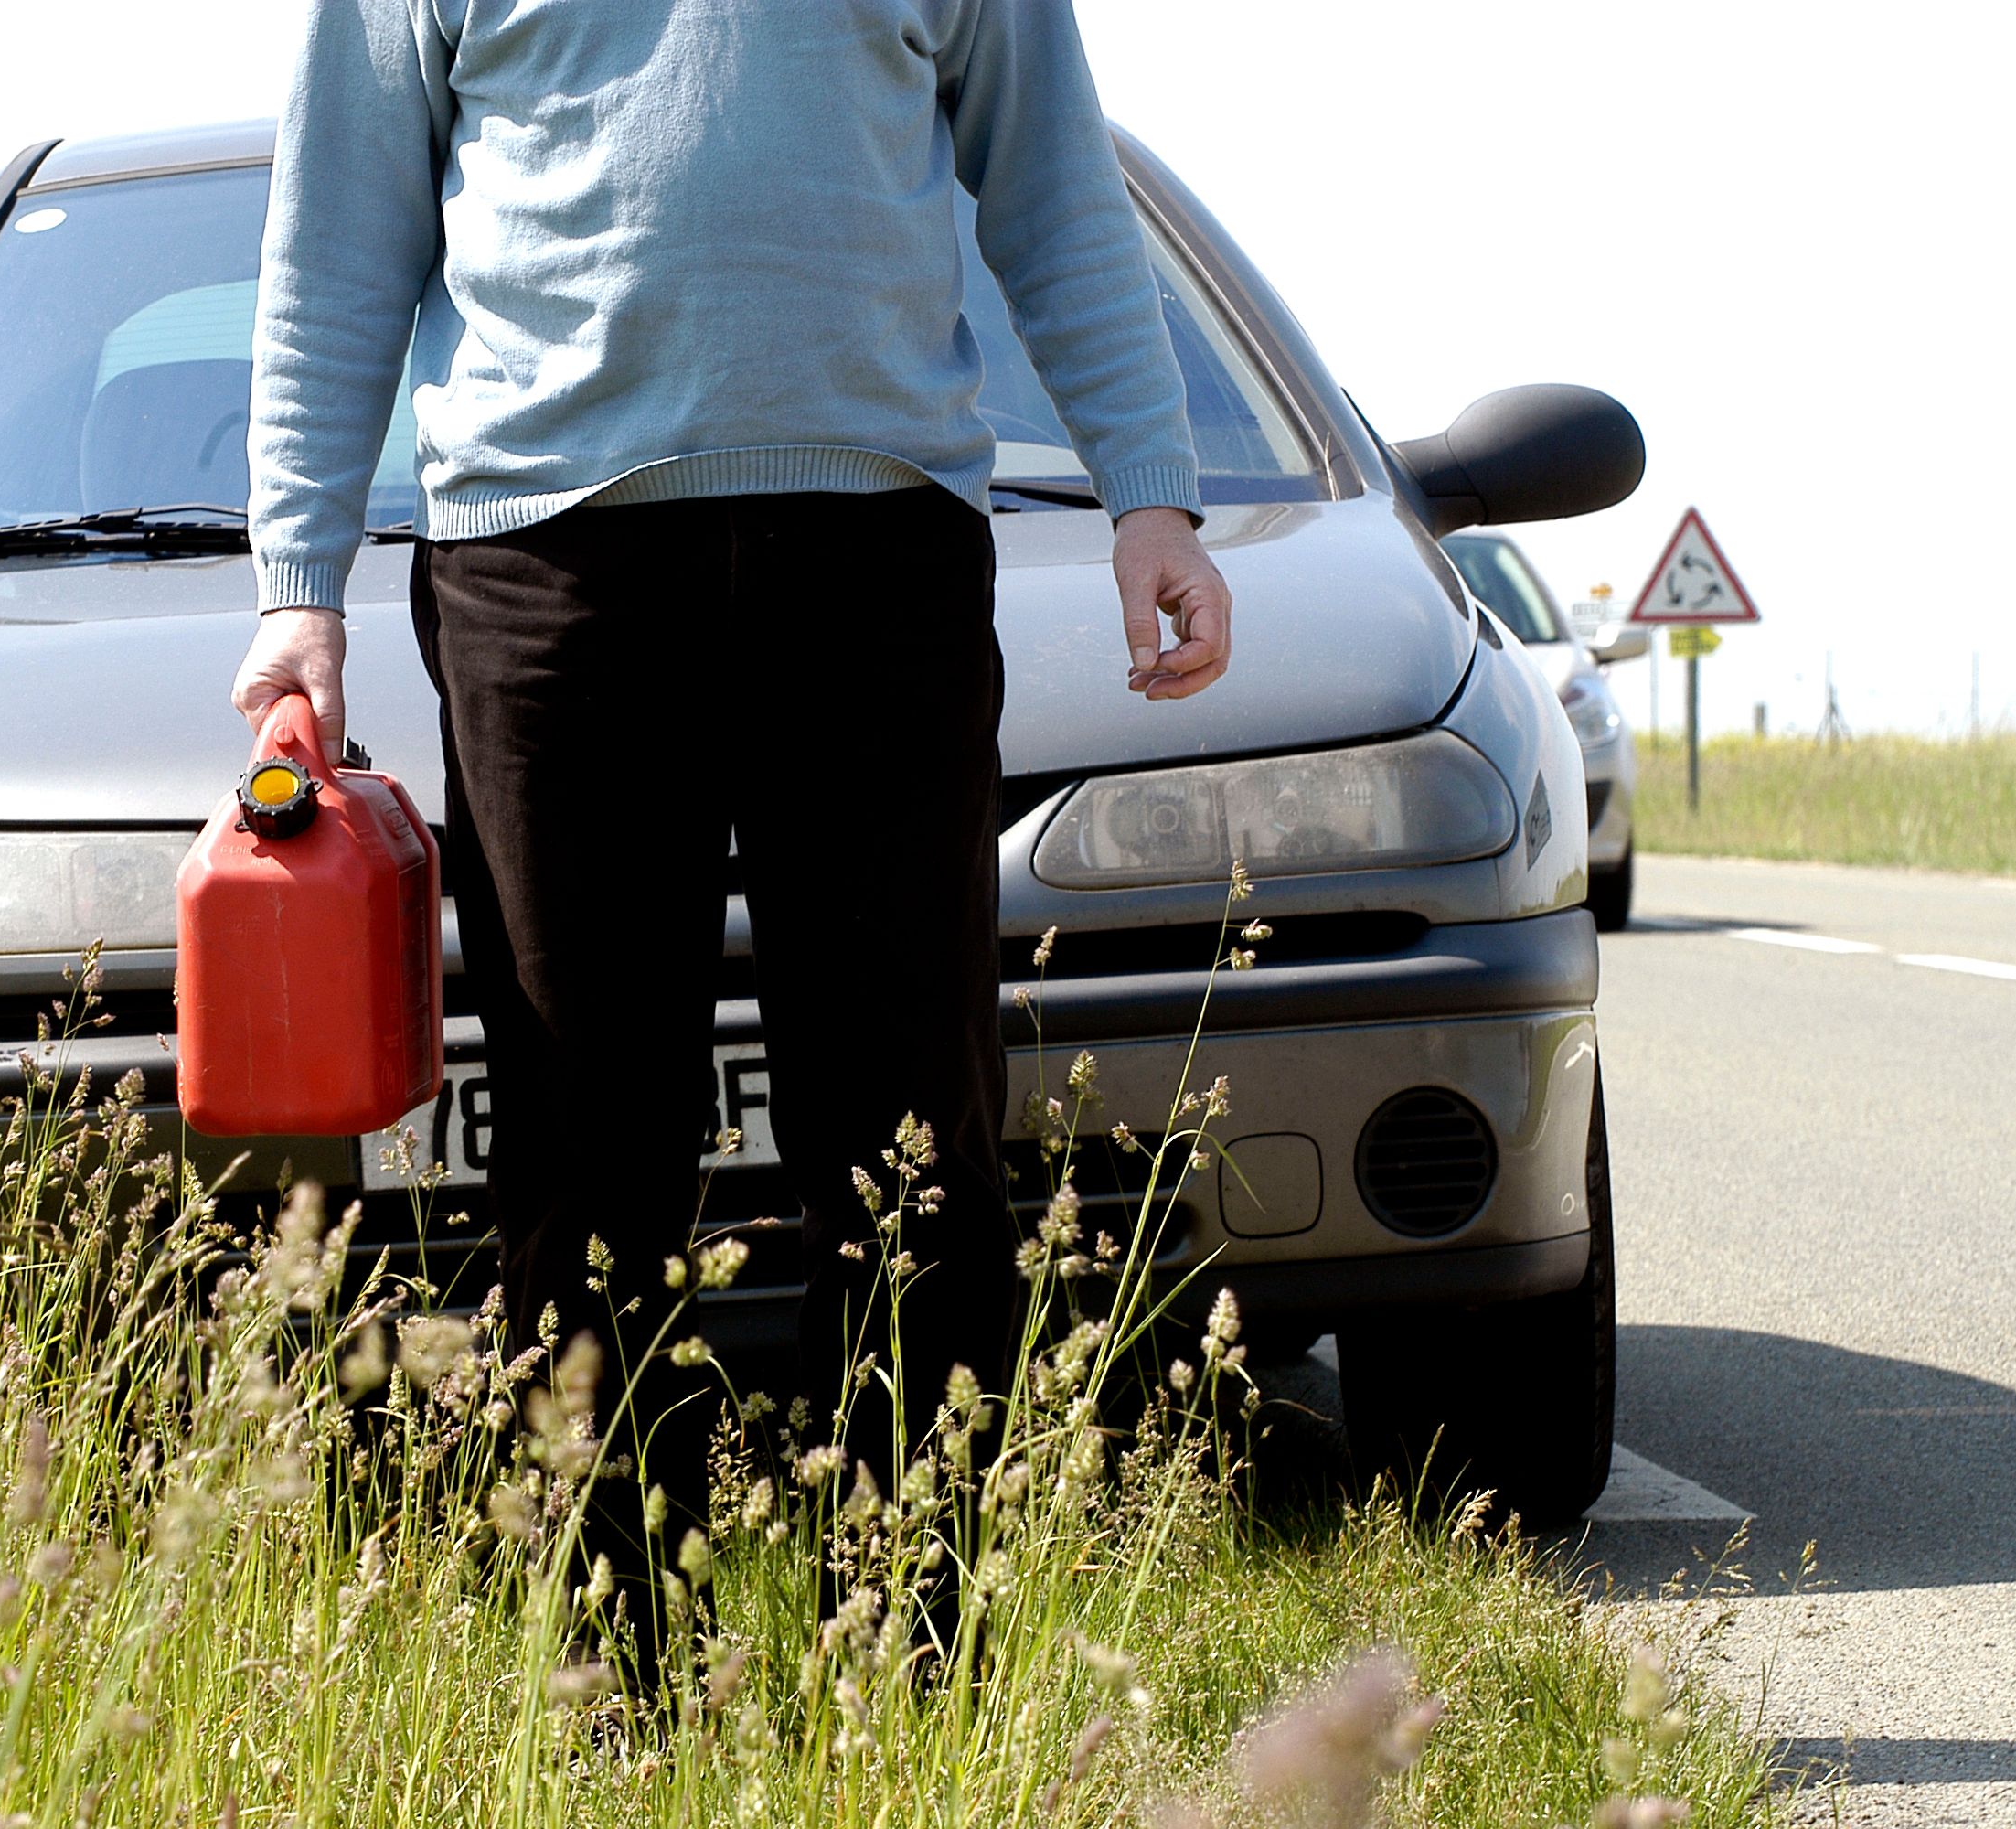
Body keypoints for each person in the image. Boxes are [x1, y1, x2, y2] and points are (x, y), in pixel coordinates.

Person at [231, 0, 1232, 1679]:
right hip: (547, 573)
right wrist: (295, 587)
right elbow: (338, 241)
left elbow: (1056, 191)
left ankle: (918, 1667)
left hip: (883, 564)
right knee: (578, 1148)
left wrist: (1150, 492)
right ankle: (611, 1679)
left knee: (915, 1146)